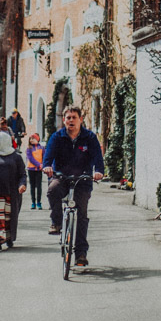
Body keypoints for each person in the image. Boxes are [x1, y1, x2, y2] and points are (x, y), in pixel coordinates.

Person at [43, 107, 105, 266]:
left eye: (74, 117)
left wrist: (98, 171)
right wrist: (47, 166)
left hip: (83, 179)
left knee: (82, 215)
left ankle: (81, 254)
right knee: (53, 190)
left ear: (80, 119)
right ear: (64, 120)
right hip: (62, 177)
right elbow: (48, 156)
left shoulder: (89, 137)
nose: (71, 120)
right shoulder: (57, 137)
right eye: (68, 118)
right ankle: (56, 222)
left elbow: (98, 157)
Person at [24, 132, 44, 209]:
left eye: (33, 138)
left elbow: (44, 156)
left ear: (37, 139)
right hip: (31, 169)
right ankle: (33, 202)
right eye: (30, 139)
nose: (32, 140)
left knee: (39, 186)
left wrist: (43, 164)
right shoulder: (29, 149)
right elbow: (31, 159)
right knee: (32, 186)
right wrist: (39, 164)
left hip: (39, 170)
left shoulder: (42, 148)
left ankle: (39, 202)